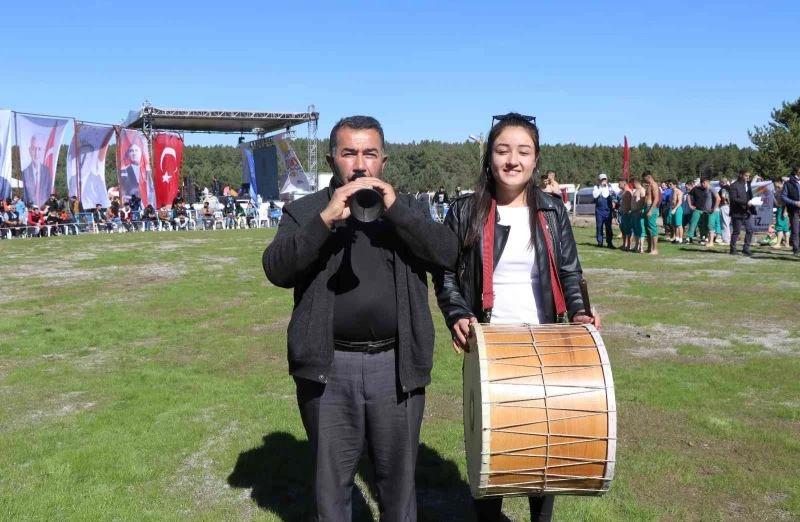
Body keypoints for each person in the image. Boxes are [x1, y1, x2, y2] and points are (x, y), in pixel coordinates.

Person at [262, 115, 458, 522]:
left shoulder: (408, 209)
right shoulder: (306, 211)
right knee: (331, 492)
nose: (359, 163)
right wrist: (324, 223)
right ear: (334, 158)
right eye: (349, 153)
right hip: (329, 370)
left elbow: (447, 253)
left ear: (383, 159)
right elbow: (276, 270)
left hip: (396, 367)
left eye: (369, 153)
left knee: (398, 489)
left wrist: (398, 212)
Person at [434, 113, 595, 522]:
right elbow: (446, 272)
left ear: (535, 159)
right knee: (495, 452)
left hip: (547, 340)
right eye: (502, 150)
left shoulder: (553, 211)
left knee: (545, 448)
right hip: (491, 344)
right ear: (489, 157)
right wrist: (457, 312)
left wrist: (579, 313)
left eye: (523, 151)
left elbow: (570, 272)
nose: (512, 160)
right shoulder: (466, 210)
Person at [22, 135, 54, 207]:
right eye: (34, 149)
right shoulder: (25, 173)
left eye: (39, 149)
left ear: (43, 151)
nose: (36, 153)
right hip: (30, 208)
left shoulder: (47, 173)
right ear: (30, 150)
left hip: (44, 209)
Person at [729, 169, 755, 256]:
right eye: (746, 176)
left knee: (750, 229)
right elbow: (733, 199)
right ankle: (733, 248)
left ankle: (746, 248)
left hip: (747, 211)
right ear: (740, 175)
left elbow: (750, 196)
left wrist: (754, 202)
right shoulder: (734, 186)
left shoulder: (748, 184)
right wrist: (745, 202)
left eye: (748, 176)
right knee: (736, 231)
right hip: (737, 212)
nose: (748, 178)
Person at [781, 165, 800, 255]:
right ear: (796, 172)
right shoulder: (789, 183)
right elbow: (783, 197)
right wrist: (795, 202)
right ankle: (796, 249)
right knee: (795, 230)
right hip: (794, 209)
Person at [592, 173, 615, 248]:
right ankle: (600, 242)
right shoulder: (596, 187)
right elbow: (595, 196)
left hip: (608, 210)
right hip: (599, 210)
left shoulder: (610, 187)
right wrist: (601, 187)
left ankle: (609, 242)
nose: (604, 181)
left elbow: (613, 196)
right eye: (602, 179)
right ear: (599, 180)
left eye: (605, 179)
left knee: (608, 227)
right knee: (599, 227)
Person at [642, 171, 662, 254]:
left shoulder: (654, 185)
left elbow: (656, 199)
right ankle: (650, 248)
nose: (644, 180)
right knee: (647, 228)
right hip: (647, 207)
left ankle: (655, 249)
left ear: (648, 177)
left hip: (651, 208)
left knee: (652, 227)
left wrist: (650, 210)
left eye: (645, 179)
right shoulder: (649, 185)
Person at [772, 178, 789, 248]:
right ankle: (787, 243)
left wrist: (785, 211)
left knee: (780, 227)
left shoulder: (783, 190)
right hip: (781, 208)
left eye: (774, 183)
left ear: (778, 182)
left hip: (782, 209)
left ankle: (778, 244)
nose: (774, 185)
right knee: (785, 228)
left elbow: (787, 202)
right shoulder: (778, 190)